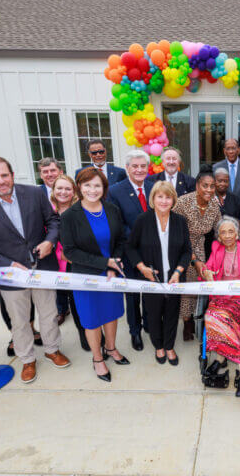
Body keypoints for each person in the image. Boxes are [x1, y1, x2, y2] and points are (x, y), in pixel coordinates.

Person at [0, 156, 71, 384]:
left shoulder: (34, 194)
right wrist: (7, 264)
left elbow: (53, 221)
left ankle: (52, 349)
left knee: (49, 314)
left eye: (4, 175)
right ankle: (27, 359)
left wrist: (50, 242)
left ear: (12, 175)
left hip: (43, 268)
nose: (1, 180)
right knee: (20, 321)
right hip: (10, 276)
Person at [60, 168, 129, 383]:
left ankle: (111, 348)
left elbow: (120, 241)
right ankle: (98, 358)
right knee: (91, 320)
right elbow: (69, 251)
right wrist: (104, 262)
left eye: (97, 185)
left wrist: (112, 264)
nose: (92, 189)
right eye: (87, 185)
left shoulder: (112, 209)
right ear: (79, 187)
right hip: (86, 276)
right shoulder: (70, 216)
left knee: (111, 313)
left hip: (111, 274)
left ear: (104, 188)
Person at [127, 181, 192, 366]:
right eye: (160, 196)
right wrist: (141, 268)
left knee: (172, 313)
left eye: (168, 197)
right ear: (153, 199)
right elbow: (131, 248)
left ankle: (169, 346)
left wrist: (179, 271)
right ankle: (159, 346)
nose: (164, 201)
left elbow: (187, 251)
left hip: (174, 278)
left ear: (173, 199)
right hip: (150, 278)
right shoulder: (142, 220)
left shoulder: (180, 221)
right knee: (154, 314)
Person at [202, 217, 240, 397]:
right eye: (223, 232)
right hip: (221, 299)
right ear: (218, 236)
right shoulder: (216, 248)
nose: (227, 235)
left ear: (237, 233)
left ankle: (221, 357)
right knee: (213, 315)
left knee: (224, 318)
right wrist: (206, 273)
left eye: (231, 231)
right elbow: (208, 268)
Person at [107, 150, 154, 352]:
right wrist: (140, 238)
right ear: (127, 168)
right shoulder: (115, 191)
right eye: (135, 166)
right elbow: (117, 223)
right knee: (133, 294)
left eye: (143, 166)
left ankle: (150, 325)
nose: (139, 170)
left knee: (150, 291)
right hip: (128, 251)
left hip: (153, 251)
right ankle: (135, 331)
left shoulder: (154, 187)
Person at [173, 168, 222, 341]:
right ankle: (186, 322)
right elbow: (176, 234)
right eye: (205, 185)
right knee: (186, 284)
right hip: (179, 248)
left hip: (201, 248)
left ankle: (196, 317)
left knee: (198, 284)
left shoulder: (214, 205)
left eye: (212, 186)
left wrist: (235, 240)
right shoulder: (182, 202)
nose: (209, 189)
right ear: (197, 185)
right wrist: (194, 260)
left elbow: (219, 230)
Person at [50, 174, 81, 333]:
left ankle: (85, 333)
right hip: (55, 264)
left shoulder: (80, 210)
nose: (63, 192)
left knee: (78, 301)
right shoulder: (47, 211)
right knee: (64, 296)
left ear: (74, 191)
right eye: (59, 188)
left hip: (76, 262)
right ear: (53, 190)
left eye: (68, 188)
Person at [212, 138, 240, 203]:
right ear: (224, 151)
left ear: (239, 150)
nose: (231, 151)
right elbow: (214, 190)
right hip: (222, 209)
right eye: (228, 149)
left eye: (233, 148)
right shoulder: (215, 168)